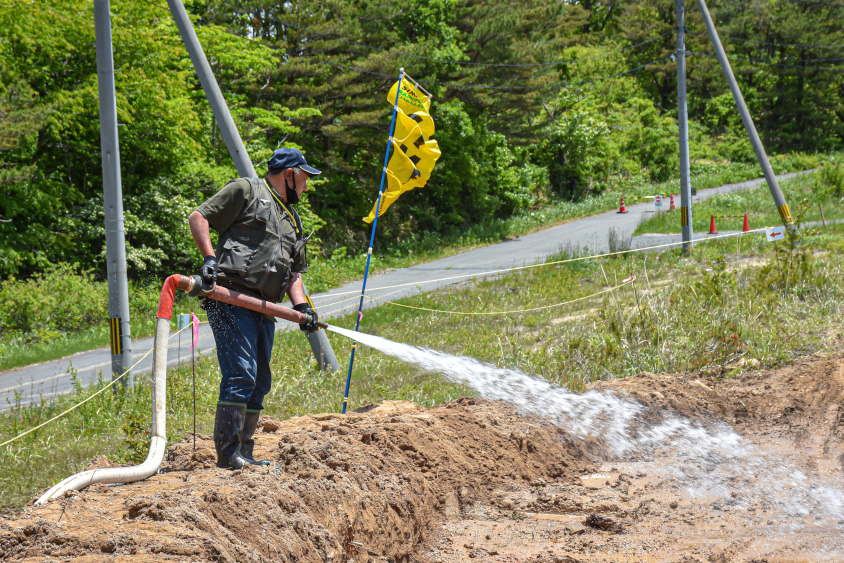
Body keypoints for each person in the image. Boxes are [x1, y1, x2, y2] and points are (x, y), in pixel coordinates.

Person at [188, 148, 321, 469]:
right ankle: (228, 455)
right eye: (304, 179)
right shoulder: (247, 190)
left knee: (259, 381)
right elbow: (198, 217)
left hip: (265, 307)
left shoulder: (293, 220)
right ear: (289, 174)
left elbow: (294, 273)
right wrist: (209, 259)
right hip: (231, 298)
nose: (306, 187)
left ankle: (244, 452)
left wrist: (302, 306)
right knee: (241, 375)